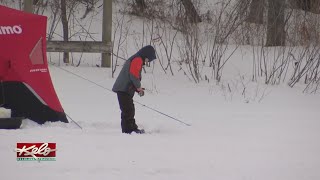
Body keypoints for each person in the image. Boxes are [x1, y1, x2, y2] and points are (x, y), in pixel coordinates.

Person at [112, 45, 156, 134]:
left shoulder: (137, 59)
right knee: (128, 110)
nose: (147, 62)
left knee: (129, 109)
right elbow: (134, 75)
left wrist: (137, 88)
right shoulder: (138, 59)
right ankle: (128, 130)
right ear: (145, 55)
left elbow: (132, 77)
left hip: (125, 89)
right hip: (123, 89)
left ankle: (132, 128)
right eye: (148, 60)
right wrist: (138, 87)